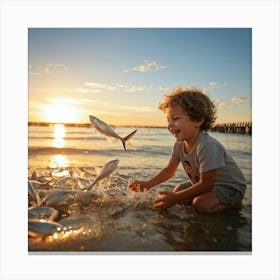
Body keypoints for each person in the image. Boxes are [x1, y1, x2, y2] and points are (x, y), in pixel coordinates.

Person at [128, 86, 246, 213]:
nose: (169, 125)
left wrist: (176, 199)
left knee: (200, 204)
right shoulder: (179, 144)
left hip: (229, 187)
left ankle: (234, 203)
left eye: (176, 118)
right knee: (178, 190)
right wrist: (148, 184)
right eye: (168, 120)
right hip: (207, 185)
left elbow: (206, 183)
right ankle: (214, 200)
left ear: (198, 120)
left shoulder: (207, 146)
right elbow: (169, 170)